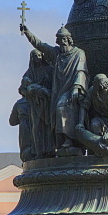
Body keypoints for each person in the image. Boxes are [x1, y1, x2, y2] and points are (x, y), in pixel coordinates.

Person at [21, 24, 89, 154]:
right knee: (56, 110)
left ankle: (69, 139)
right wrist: (27, 32)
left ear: (69, 39)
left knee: (61, 108)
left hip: (73, 89)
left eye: (64, 39)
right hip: (59, 90)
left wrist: (76, 87)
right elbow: (40, 45)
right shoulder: (56, 54)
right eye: (60, 39)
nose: (62, 42)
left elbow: (81, 71)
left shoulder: (78, 54)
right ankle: (61, 141)